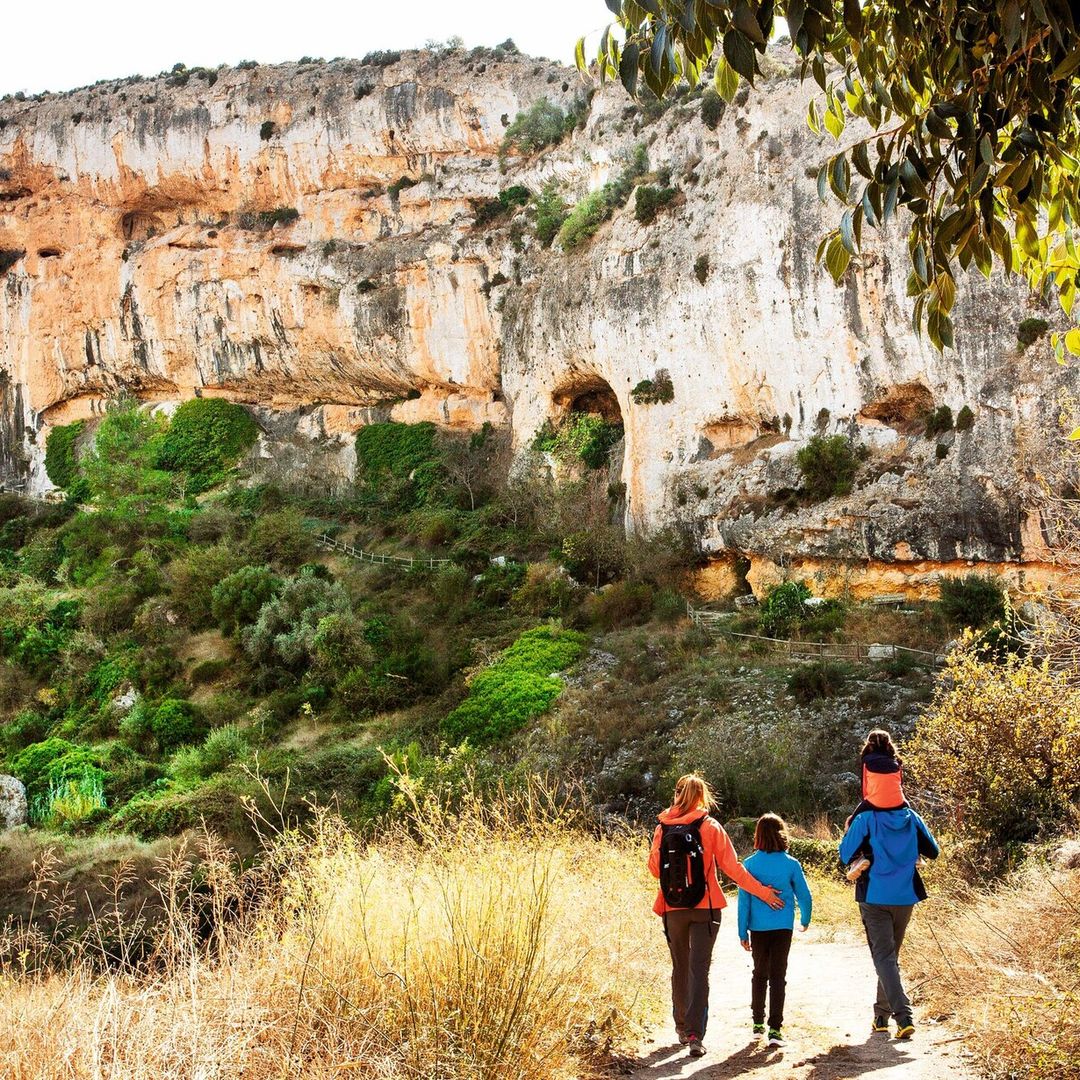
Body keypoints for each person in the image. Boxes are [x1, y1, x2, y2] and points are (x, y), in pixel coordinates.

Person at [649, 774, 784, 1060]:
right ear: (701, 797)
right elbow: (732, 868)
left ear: (676, 795)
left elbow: (653, 869)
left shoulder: (661, 828)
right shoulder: (709, 826)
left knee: (680, 967)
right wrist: (763, 893)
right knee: (700, 970)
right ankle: (697, 1035)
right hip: (706, 908)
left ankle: (682, 1028)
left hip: (672, 909)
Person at [838, 762, 940, 1041]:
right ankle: (880, 1017)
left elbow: (845, 853)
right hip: (905, 896)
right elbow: (933, 850)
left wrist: (852, 833)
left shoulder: (865, 819)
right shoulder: (911, 816)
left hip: (874, 896)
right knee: (890, 958)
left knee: (883, 957)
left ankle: (903, 1016)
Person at [737, 813, 813, 1048]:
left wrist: (742, 932)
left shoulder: (749, 864)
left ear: (758, 836)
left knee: (759, 973)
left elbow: (744, 902)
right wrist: (805, 918)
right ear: (783, 835)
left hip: (758, 928)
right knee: (778, 976)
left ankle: (757, 1024)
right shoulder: (791, 864)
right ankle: (775, 1030)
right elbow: (804, 895)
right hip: (782, 927)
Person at [844, 729, 909, 882]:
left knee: (852, 822)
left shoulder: (867, 760)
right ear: (889, 744)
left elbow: (865, 788)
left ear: (869, 744)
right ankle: (917, 854)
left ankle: (856, 858)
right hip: (898, 801)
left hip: (875, 801)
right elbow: (900, 783)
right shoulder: (896, 761)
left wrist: (869, 804)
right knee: (913, 818)